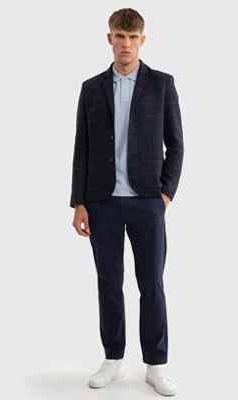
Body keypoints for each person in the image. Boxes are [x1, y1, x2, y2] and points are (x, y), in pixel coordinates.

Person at [70, 8, 184, 397]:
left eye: (133, 37)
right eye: (120, 36)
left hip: (147, 202)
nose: (126, 44)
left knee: (151, 283)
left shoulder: (161, 84)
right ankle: (113, 359)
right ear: (110, 39)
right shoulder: (91, 88)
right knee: (108, 283)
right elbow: (82, 147)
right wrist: (79, 202)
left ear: (142, 41)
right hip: (101, 201)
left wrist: (164, 195)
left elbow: (176, 145)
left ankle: (156, 364)